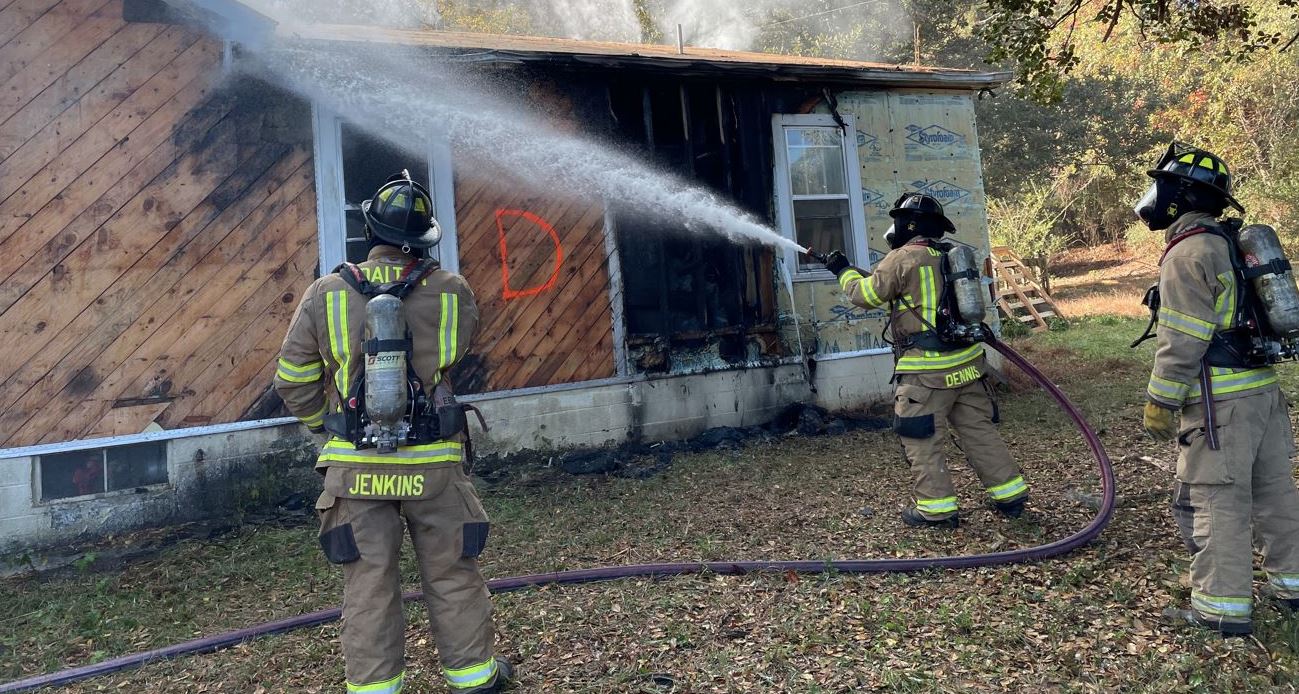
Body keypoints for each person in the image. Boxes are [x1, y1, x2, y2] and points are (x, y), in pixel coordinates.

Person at [274, 171, 513, 692]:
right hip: (434, 466)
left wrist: (326, 429)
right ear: (424, 238)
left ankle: (375, 688)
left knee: (367, 584)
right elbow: (457, 351)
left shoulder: (326, 292)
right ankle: (475, 678)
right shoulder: (451, 291)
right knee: (452, 573)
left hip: (356, 469)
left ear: (370, 230)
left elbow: (292, 378)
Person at [1135, 142, 1299, 637]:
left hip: (1220, 404)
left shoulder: (1188, 252)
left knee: (1218, 501)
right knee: (1275, 493)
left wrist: (1161, 400)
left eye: (1164, 187)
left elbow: (1183, 337)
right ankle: (1292, 586)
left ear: (1182, 196)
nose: (1155, 198)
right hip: (1263, 394)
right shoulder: (1228, 240)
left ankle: (1221, 610)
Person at [823, 193, 1028, 529]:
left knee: (922, 440)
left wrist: (842, 270)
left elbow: (865, 295)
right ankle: (1011, 496)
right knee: (979, 431)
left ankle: (937, 510)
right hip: (968, 367)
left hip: (927, 375)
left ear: (908, 224)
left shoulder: (902, 258)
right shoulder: (948, 255)